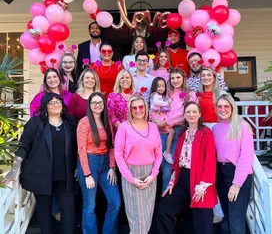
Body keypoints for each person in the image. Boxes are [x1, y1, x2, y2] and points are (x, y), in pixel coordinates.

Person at [3, 93, 77, 234]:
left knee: (69, 212)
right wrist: (13, 171)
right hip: (41, 176)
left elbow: (78, 147)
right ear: (45, 106)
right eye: (52, 102)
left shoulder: (70, 123)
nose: (56, 105)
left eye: (59, 102)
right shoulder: (36, 123)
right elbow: (23, 147)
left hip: (65, 177)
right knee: (44, 214)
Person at [155, 101, 217, 234]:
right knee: (163, 210)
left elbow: (210, 161)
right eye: (188, 112)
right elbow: (178, 161)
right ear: (184, 115)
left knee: (202, 222)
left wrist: (203, 185)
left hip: (200, 180)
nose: (191, 114)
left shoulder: (205, 133)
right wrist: (172, 182)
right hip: (182, 178)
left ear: (200, 114)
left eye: (194, 111)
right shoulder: (183, 134)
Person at [115, 94, 162, 234]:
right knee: (137, 220)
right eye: (134, 107)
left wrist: (153, 175)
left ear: (146, 108)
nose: (138, 110)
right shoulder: (124, 128)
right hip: (131, 174)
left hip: (149, 176)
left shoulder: (153, 127)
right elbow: (118, 155)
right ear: (129, 110)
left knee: (146, 218)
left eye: (141, 107)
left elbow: (159, 153)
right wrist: (131, 179)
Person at [77, 92, 120, 234]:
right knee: (90, 205)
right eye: (94, 102)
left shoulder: (106, 121)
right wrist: (87, 174)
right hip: (90, 163)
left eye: (100, 102)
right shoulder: (84, 122)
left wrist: (112, 167)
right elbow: (81, 149)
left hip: (106, 164)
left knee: (115, 202)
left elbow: (112, 146)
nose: (97, 105)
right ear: (89, 105)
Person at [213, 94, 254, 234]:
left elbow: (246, 157)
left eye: (226, 106)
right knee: (228, 218)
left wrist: (236, 184)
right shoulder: (216, 128)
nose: (222, 109)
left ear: (232, 107)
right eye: (219, 106)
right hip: (221, 173)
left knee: (236, 222)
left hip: (238, 175)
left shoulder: (243, 126)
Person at [153, 68, 197, 192]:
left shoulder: (190, 94)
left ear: (183, 78)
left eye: (178, 77)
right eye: (172, 78)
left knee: (169, 166)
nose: (175, 80)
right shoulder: (166, 93)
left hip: (178, 131)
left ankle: (167, 198)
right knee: (158, 164)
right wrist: (159, 121)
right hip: (162, 131)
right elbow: (158, 108)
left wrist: (166, 122)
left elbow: (184, 114)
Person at [149, 77, 175, 164]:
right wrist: (168, 102)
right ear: (154, 87)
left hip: (159, 117)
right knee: (171, 131)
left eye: (163, 86)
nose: (161, 88)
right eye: (158, 86)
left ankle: (165, 153)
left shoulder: (161, 96)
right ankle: (167, 152)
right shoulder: (155, 95)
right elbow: (157, 103)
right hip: (157, 118)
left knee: (170, 132)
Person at [107, 69, 136, 134]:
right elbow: (111, 116)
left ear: (131, 80)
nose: (125, 80)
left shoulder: (137, 95)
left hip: (136, 131)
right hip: (120, 131)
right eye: (122, 78)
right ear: (118, 81)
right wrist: (124, 129)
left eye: (127, 78)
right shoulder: (112, 96)